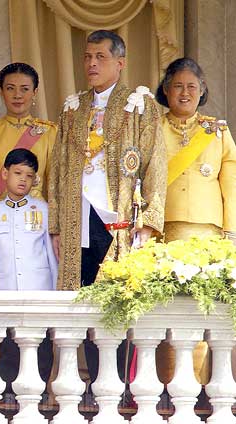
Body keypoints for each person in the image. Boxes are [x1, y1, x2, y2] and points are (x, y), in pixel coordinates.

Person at [48, 30, 167, 291]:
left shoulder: (139, 105)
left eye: (100, 57)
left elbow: (155, 165)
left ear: (120, 63)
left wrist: (148, 223)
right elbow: (56, 168)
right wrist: (55, 226)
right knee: (78, 292)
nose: (92, 63)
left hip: (119, 215)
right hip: (77, 216)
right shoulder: (73, 108)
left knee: (116, 295)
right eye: (87, 57)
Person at [154, 57, 236, 385]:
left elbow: (231, 185)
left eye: (192, 86)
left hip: (208, 236)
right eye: (178, 86)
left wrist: (231, 232)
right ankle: (166, 386)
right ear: (166, 90)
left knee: (202, 310)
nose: (185, 92)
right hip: (164, 234)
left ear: (202, 90)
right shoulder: (152, 129)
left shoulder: (217, 132)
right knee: (164, 311)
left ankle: (198, 387)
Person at [0, 63, 56, 284]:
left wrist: (56, 231)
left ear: (35, 92)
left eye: (25, 89)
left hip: (36, 223)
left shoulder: (48, 132)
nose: (17, 95)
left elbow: (54, 187)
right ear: (1, 91)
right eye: (10, 88)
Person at [0, 148, 57, 290]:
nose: (23, 179)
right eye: (18, 173)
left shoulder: (44, 210)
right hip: (6, 291)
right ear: (5, 173)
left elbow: (53, 257)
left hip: (39, 290)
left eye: (29, 175)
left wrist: (57, 294)